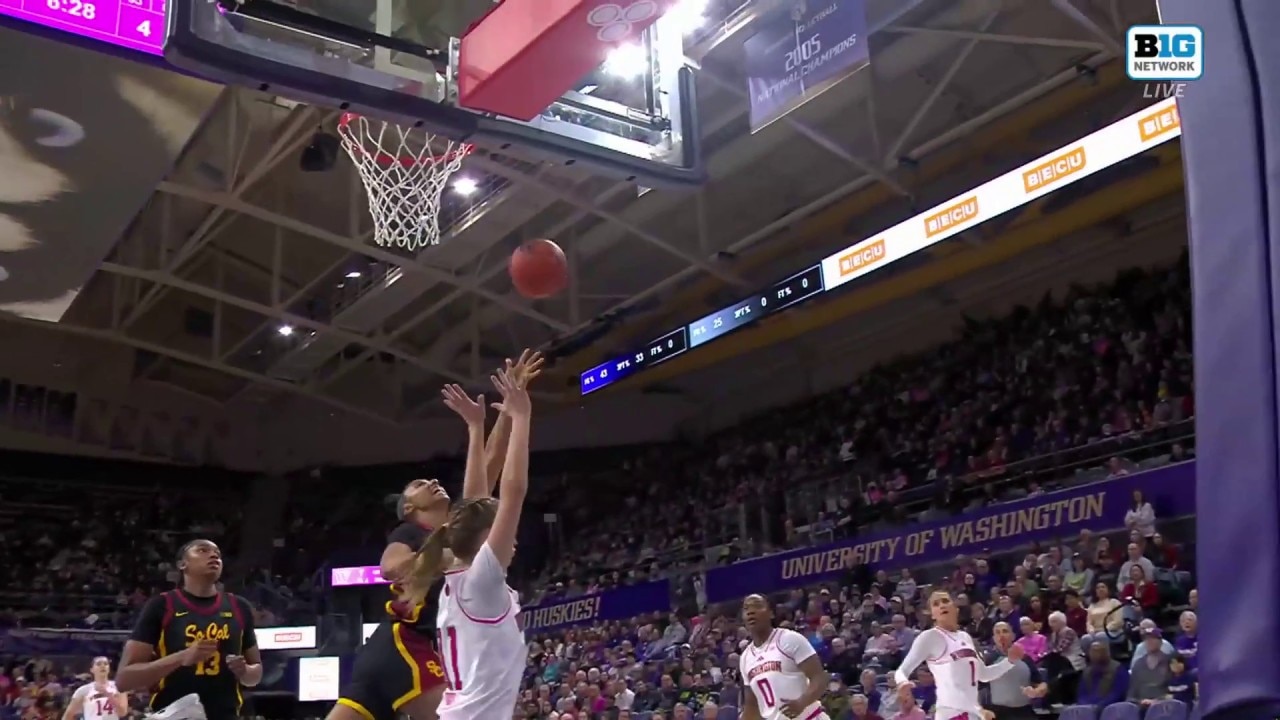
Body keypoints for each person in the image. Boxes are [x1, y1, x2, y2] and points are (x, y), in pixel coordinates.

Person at [333, 351, 541, 720]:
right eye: (419, 484)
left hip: (418, 647)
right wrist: (518, 414)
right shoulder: (415, 533)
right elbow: (391, 568)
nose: (433, 481)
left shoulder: (458, 553)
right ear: (409, 507)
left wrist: (492, 420)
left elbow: (484, 478)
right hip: (405, 643)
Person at [401, 365, 532, 718]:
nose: (513, 538)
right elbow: (513, 493)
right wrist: (522, 417)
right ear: (488, 538)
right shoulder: (482, 583)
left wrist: (477, 428)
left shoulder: (462, 575)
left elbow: (476, 500)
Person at [116, 539, 262, 720]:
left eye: (217, 553)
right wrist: (181, 657)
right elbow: (124, 680)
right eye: (202, 550)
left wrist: (245, 671)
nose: (214, 555)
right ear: (182, 564)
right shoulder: (162, 605)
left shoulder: (239, 606)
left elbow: (255, 674)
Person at [891, 590, 1023, 720]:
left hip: (972, 712)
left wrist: (1009, 661)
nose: (942, 605)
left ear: (955, 608)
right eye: (936, 604)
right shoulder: (930, 636)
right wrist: (902, 682)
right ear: (932, 614)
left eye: (945, 601)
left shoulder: (965, 636)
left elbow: (983, 675)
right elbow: (902, 670)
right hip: (952, 714)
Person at [738, 594, 830, 720]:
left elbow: (819, 678)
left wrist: (802, 702)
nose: (751, 612)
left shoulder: (789, 639)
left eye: (757, 606)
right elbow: (752, 706)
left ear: (771, 613)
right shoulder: (745, 657)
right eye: (746, 608)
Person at [981, 622, 1045, 720]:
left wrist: (1037, 691)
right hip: (997, 713)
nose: (1001, 635)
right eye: (997, 632)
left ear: (1013, 636)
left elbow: (1041, 684)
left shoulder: (1025, 658)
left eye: (1005, 631)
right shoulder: (988, 660)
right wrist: (981, 710)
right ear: (994, 638)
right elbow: (974, 688)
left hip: (1024, 712)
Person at [62, 657, 128, 720]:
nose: (103, 666)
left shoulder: (119, 686)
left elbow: (122, 712)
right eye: (98, 664)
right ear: (92, 669)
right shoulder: (83, 690)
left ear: (109, 668)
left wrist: (107, 694)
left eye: (106, 664)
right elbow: (67, 715)